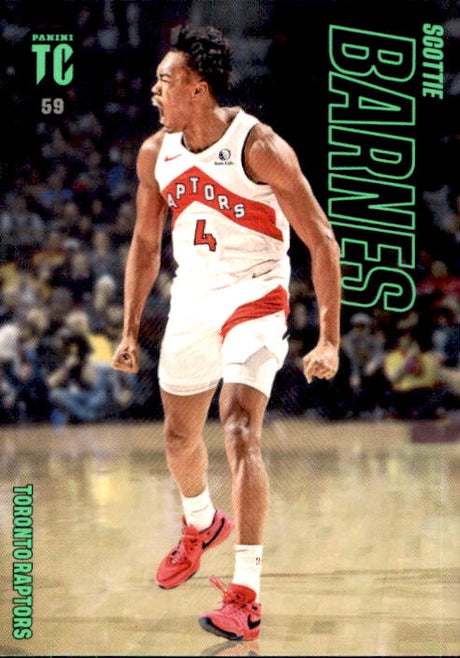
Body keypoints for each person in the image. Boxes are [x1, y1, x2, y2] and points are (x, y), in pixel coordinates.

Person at [112, 25, 341, 642]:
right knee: (178, 437)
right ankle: (200, 523)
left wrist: (329, 338)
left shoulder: (260, 147)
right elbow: (145, 244)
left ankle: (246, 594)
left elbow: (321, 239)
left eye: (165, 80)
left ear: (198, 87)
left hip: (256, 293)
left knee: (239, 427)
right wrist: (129, 329)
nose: (155, 90)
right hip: (193, 298)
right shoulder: (155, 153)